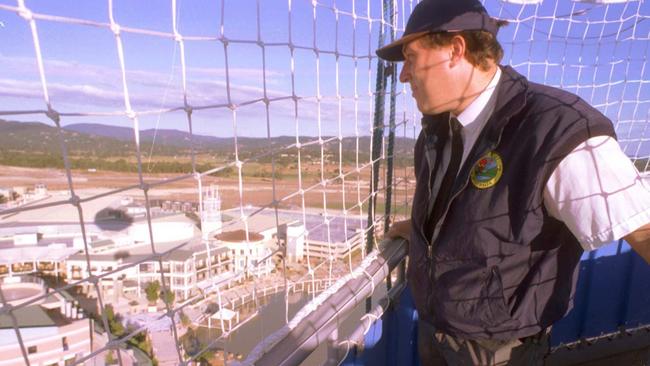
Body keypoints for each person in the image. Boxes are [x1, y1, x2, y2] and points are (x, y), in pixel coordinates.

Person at [376, 0, 650, 365]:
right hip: (436, 329)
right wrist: (424, 233)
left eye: (411, 57)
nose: (404, 75)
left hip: (502, 351)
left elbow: (642, 231)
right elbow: (479, 213)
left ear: (455, 50)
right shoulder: (439, 130)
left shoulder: (557, 129)